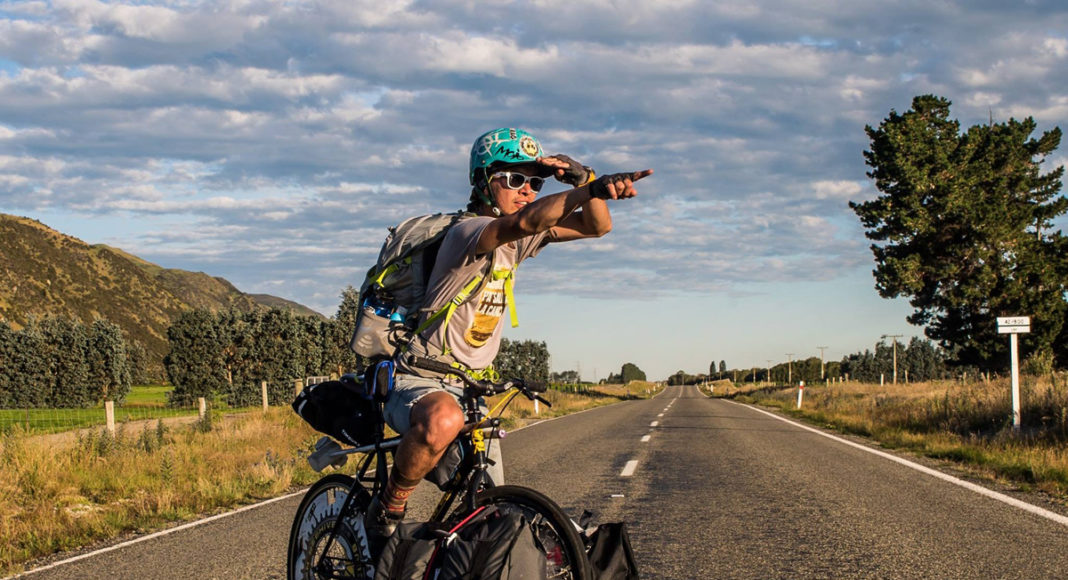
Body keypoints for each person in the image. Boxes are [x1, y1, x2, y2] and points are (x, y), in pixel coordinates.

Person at [367, 127, 652, 541]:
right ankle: (388, 507)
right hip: (419, 378)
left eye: (535, 183)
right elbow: (526, 220)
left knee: (491, 515)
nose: (526, 190)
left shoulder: (519, 242)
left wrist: (587, 179)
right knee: (444, 419)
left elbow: (597, 227)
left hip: (470, 387)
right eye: (515, 179)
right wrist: (590, 189)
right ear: (484, 181)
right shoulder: (468, 233)